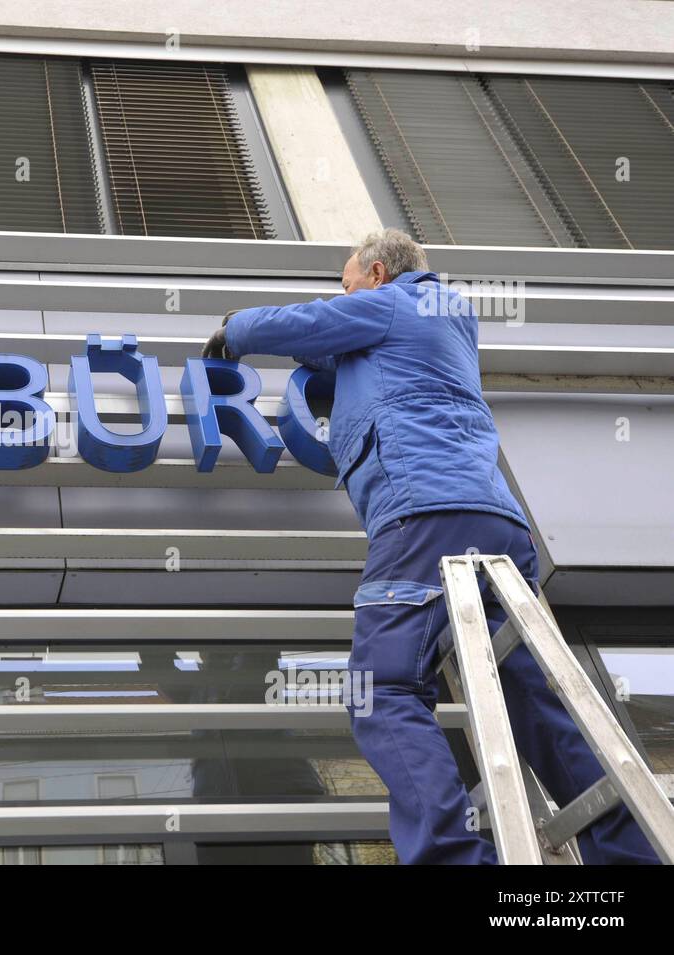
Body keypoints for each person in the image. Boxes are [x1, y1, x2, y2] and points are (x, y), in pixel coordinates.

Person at [202, 228, 659, 865]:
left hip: (425, 517)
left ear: (379, 273)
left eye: (348, 284)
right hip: (496, 523)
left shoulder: (394, 302)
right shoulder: (442, 320)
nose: (343, 296)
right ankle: (627, 852)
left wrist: (234, 327)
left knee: (381, 688)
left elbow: (306, 326)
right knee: (527, 692)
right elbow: (349, 360)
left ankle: (451, 858)